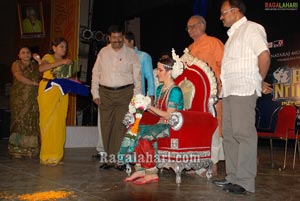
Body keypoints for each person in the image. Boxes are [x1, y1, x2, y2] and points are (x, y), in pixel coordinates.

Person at [213, 0, 271, 194]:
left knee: (243, 134)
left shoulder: (252, 28)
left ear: (235, 11)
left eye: (223, 13)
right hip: (229, 91)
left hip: (243, 90)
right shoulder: (232, 37)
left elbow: (264, 56)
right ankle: (233, 177)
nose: (221, 17)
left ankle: (245, 181)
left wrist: (257, 80)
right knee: (228, 135)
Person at [120, 56, 184, 184]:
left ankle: (151, 173)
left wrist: (149, 106)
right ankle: (140, 168)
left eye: (160, 70)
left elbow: (168, 116)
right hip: (160, 123)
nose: (157, 73)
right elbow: (156, 112)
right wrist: (141, 106)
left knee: (144, 137)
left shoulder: (175, 91)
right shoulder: (160, 89)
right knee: (134, 132)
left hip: (171, 126)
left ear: (169, 72)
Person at [90, 25, 142, 169]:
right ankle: (109, 159)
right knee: (106, 126)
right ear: (109, 38)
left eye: (119, 38)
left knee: (120, 126)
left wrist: (136, 96)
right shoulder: (103, 52)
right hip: (105, 93)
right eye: (114, 38)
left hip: (125, 93)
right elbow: (96, 73)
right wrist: (95, 93)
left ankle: (120, 160)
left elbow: (137, 75)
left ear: (123, 38)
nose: (117, 40)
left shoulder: (131, 53)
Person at [186, 15, 224, 176]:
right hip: (195, 98)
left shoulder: (214, 43)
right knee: (198, 130)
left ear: (202, 25)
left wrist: (220, 88)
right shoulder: (189, 48)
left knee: (213, 129)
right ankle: (198, 164)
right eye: (188, 28)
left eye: (193, 26)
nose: (190, 30)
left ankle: (212, 164)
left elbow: (224, 66)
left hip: (212, 95)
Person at [37, 37, 73, 166]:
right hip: (48, 90)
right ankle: (47, 155)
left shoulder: (67, 61)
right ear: (54, 48)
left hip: (61, 92)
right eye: (61, 46)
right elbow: (41, 69)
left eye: (65, 47)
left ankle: (57, 156)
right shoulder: (48, 57)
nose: (64, 49)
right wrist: (61, 62)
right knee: (48, 121)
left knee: (59, 122)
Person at [8, 46, 41, 159]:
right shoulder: (16, 64)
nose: (26, 54)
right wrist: (34, 83)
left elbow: (45, 72)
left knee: (31, 122)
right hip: (19, 98)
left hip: (33, 98)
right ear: (19, 55)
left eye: (28, 52)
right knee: (20, 122)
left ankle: (30, 149)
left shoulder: (35, 66)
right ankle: (16, 149)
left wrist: (39, 61)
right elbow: (19, 76)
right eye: (23, 52)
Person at [124, 32, 155, 104]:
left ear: (131, 42)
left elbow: (150, 78)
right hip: (121, 98)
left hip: (137, 97)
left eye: (124, 42)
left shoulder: (144, 56)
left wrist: (151, 96)